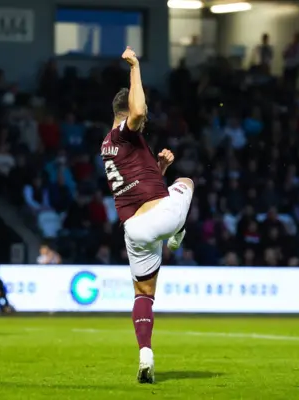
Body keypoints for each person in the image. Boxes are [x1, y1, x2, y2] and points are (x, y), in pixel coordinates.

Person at [100, 47, 194, 384]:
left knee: (143, 295)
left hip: (134, 229)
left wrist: (160, 168)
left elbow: (139, 185)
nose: (146, 116)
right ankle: (177, 234)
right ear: (125, 112)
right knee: (187, 182)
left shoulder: (108, 145)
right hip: (160, 218)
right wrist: (135, 66)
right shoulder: (127, 130)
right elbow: (138, 109)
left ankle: (145, 356)